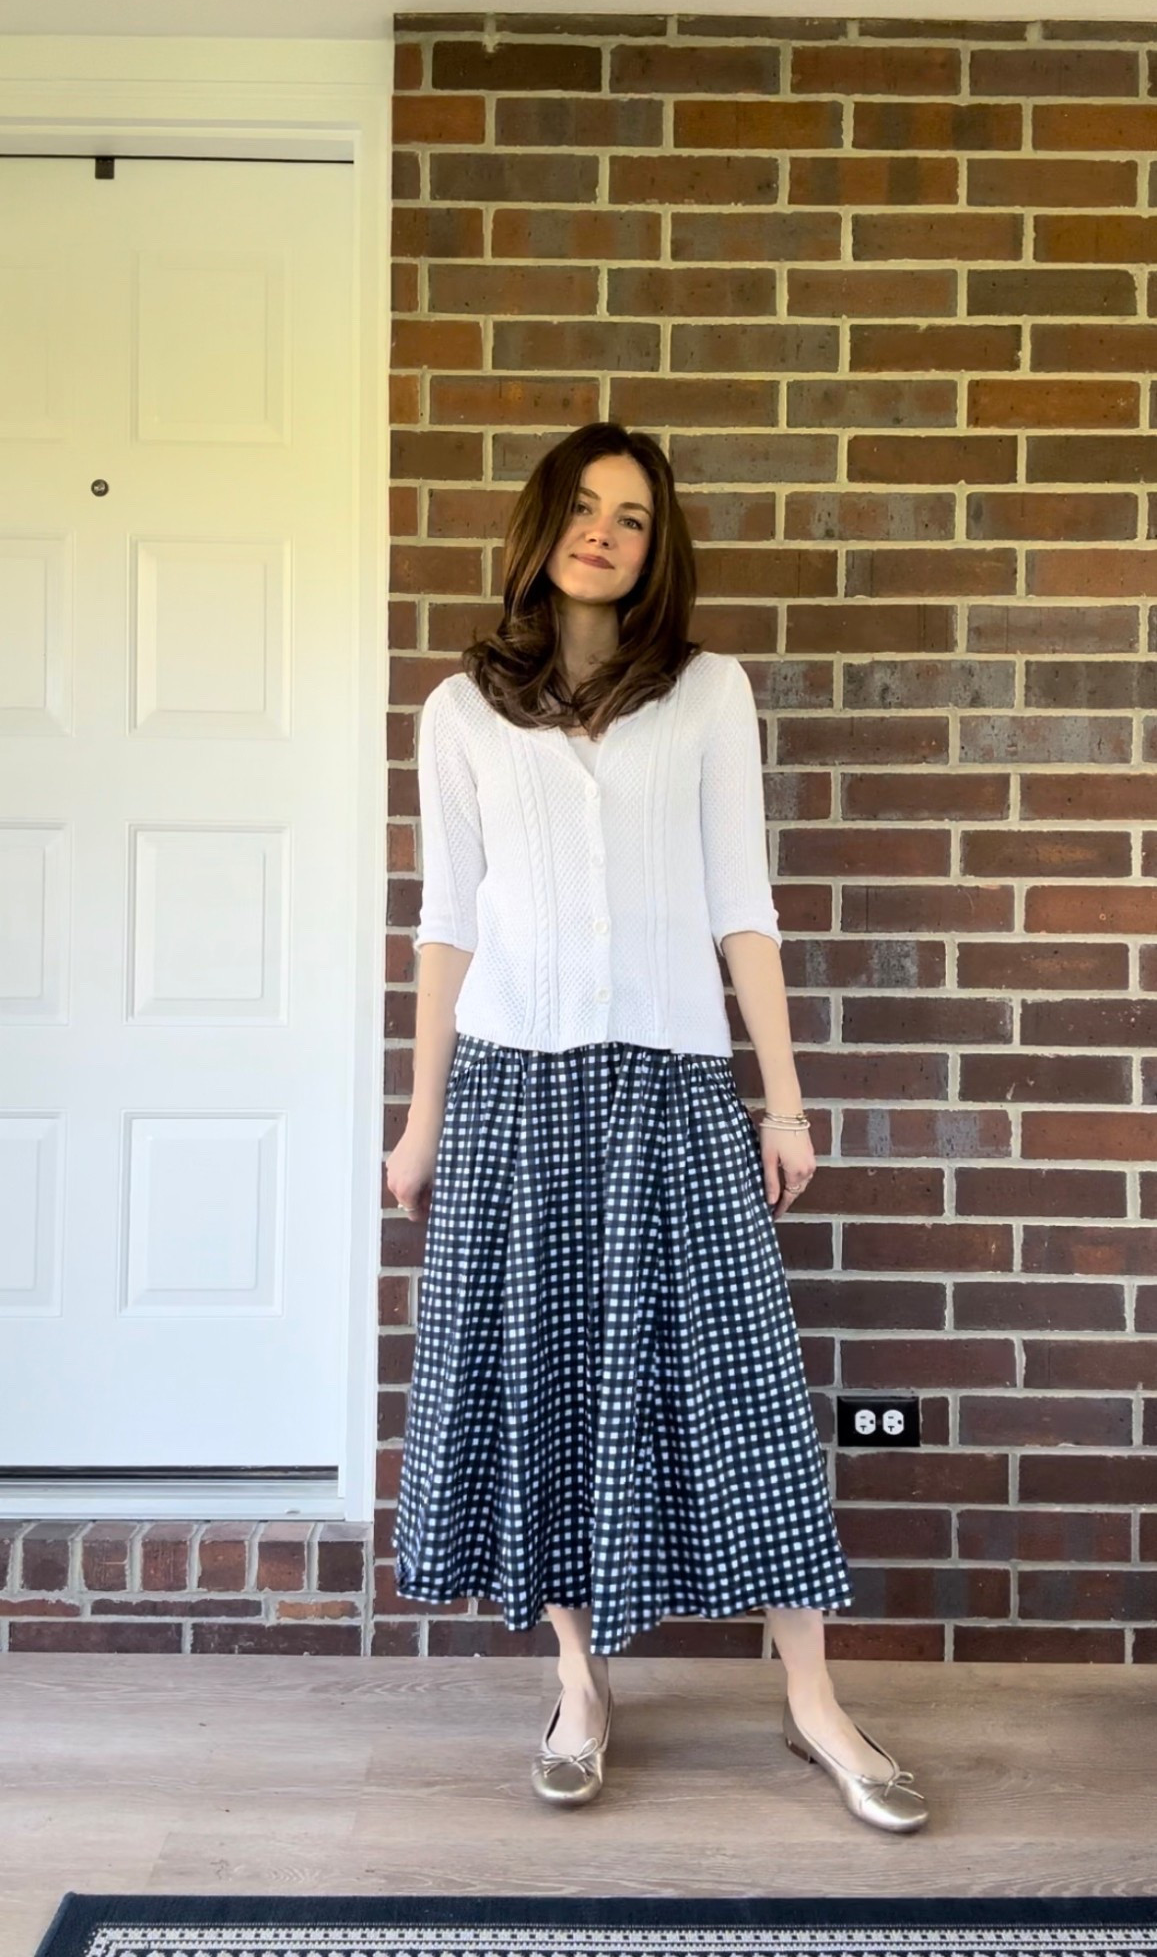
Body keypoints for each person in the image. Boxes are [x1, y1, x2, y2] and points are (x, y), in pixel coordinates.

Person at [386, 421, 928, 1833]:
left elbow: (737, 904)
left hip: (670, 1085)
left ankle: (813, 1705)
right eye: (581, 505)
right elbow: (447, 927)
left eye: (630, 514)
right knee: (550, 1384)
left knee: (743, 1385)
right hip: (511, 1086)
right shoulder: (460, 712)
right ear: (540, 524)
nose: (603, 530)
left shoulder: (704, 694)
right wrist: (418, 1120)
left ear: (654, 545)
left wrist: (786, 1099)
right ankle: (579, 1682)